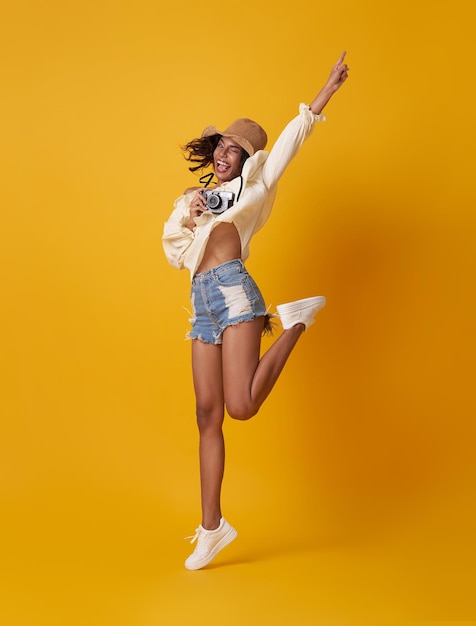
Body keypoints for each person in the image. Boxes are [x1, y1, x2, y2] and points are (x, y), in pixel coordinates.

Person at [162, 52, 349, 570]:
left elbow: (292, 139)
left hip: (236, 293)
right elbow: (173, 249)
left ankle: (294, 323)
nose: (225, 153)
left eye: (235, 150)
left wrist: (325, 92)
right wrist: (191, 212)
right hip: (203, 306)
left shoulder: (256, 186)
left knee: (241, 406)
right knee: (207, 414)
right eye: (223, 144)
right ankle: (212, 529)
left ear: (247, 161)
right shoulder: (197, 198)